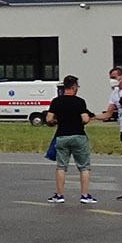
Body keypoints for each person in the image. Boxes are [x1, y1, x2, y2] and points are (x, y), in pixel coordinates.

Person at [45, 74, 97, 204]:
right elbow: (85, 119)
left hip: (62, 136)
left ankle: (60, 195)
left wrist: (58, 120)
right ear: (73, 87)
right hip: (78, 135)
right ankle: (84, 196)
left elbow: (49, 119)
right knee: (84, 167)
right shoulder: (80, 101)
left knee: (61, 167)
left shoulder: (56, 101)